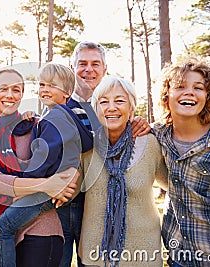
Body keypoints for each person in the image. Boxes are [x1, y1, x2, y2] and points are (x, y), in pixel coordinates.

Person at [0, 67, 80, 267]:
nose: (9, 95)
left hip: (41, 230)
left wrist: (68, 180)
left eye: (16, 90)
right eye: (3, 89)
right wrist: (46, 185)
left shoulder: (37, 126)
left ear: (22, 94)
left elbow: (70, 160)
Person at [61, 41, 150, 267]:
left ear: (104, 69)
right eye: (82, 64)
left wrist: (138, 122)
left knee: (92, 259)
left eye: (95, 64)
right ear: (73, 68)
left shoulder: (113, 106)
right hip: (63, 202)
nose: (88, 69)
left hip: (98, 203)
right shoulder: (59, 105)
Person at [78, 75, 167, 266]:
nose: (111, 107)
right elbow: (70, 189)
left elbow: (172, 183)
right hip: (95, 255)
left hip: (143, 255)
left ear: (131, 107)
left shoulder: (151, 143)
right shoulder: (86, 147)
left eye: (119, 101)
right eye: (103, 102)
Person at [152, 58, 210, 267]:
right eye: (180, 86)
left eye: (198, 87)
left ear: (208, 97)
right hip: (176, 255)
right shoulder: (158, 134)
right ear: (166, 95)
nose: (189, 92)